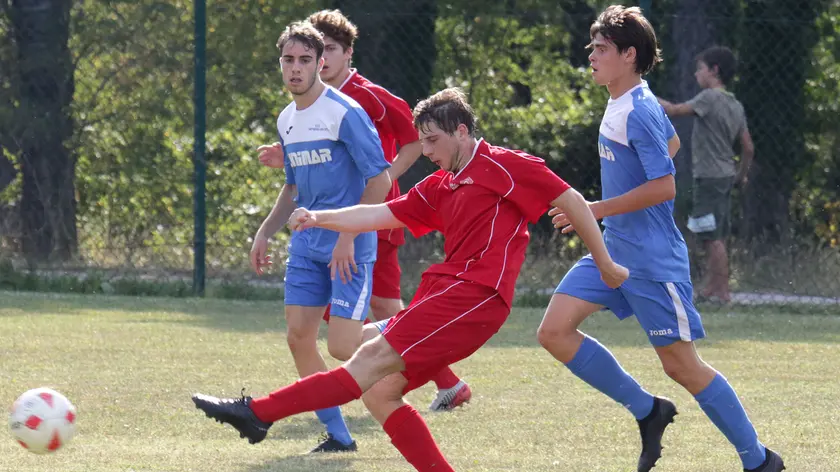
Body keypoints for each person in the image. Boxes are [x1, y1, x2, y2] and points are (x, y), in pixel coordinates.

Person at [192, 87, 629, 472]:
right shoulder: (441, 185)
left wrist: (605, 263)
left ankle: (257, 413)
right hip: (447, 291)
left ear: (462, 131)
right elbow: (376, 214)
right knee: (379, 391)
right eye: (422, 141)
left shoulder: (505, 164)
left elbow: (572, 199)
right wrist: (319, 217)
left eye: (433, 140)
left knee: (365, 359)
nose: (427, 150)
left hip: (476, 296)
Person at [537, 6, 783, 472]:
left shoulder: (640, 108)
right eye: (593, 47)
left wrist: (594, 209)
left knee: (681, 366)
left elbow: (665, 185)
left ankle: (759, 460)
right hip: (612, 249)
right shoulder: (624, 100)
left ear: (629, 55)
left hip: (650, 261)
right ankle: (649, 411)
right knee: (553, 332)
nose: (591, 55)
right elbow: (671, 144)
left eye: (602, 48)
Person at [308, 9, 471, 411]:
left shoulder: (369, 94)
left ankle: (424, 380)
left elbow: (414, 140)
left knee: (379, 307)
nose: (323, 58)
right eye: (317, 50)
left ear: (349, 52)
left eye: (331, 49)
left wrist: (383, 179)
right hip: (333, 214)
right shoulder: (312, 99)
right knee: (357, 306)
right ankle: (439, 381)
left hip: (373, 215)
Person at [250, 21, 392, 453]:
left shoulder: (344, 112)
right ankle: (338, 434)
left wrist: (347, 233)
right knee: (298, 337)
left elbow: (381, 180)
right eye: (288, 60)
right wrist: (264, 231)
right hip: (307, 246)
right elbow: (292, 187)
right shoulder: (286, 119)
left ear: (320, 63)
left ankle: (403, 327)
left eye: (305, 60)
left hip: (349, 247)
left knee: (343, 347)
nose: (295, 68)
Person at [658, 46, 754, 304]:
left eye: (700, 68)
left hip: (709, 176)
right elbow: (748, 147)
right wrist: (741, 175)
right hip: (725, 175)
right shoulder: (735, 104)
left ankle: (722, 292)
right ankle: (713, 287)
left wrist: (641, 93)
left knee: (710, 235)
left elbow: (674, 110)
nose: (696, 74)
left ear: (714, 70)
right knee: (715, 233)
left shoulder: (709, 98)